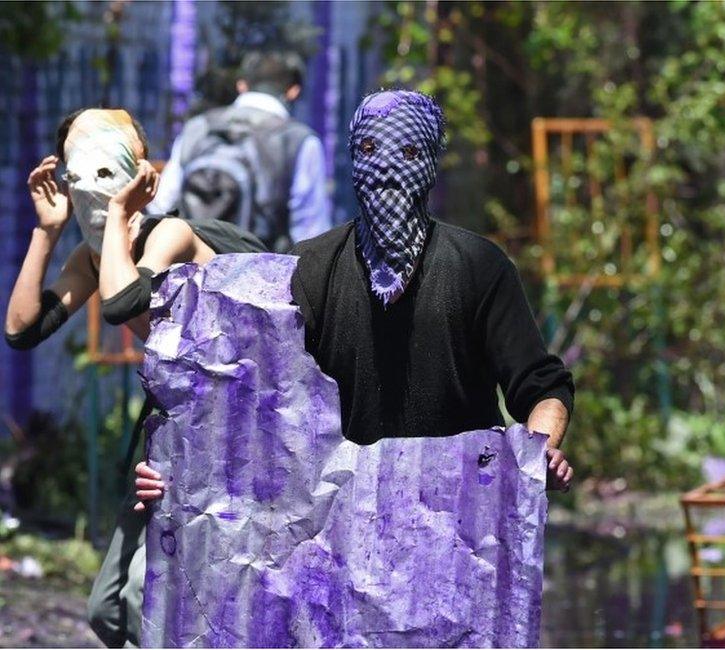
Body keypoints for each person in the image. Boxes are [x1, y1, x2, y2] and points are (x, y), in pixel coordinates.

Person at [136, 89, 574, 506]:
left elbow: (539, 386)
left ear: (430, 164)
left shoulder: (478, 266)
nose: (385, 170)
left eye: (405, 155)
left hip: (457, 523)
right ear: (351, 161)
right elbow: (253, 394)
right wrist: (177, 468)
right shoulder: (308, 267)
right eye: (368, 151)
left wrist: (539, 456)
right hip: (336, 529)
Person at [4, 107, 266, 647]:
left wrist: (126, 213)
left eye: (109, 167)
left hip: (233, 430)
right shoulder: (93, 257)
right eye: (79, 170)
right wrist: (46, 233)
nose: (92, 188)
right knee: (107, 609)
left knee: (149, 604)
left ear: (138, 171)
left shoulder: (168, 233)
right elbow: (21, 329)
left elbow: (125, 301)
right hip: (174, 429)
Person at [150, 50, 331, 252]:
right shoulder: (300, 140)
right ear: (293, 91)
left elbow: (162, 205)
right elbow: (311, 234)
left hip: (191, 272)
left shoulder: (197, 127)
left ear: (242, 85)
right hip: (259, 275)